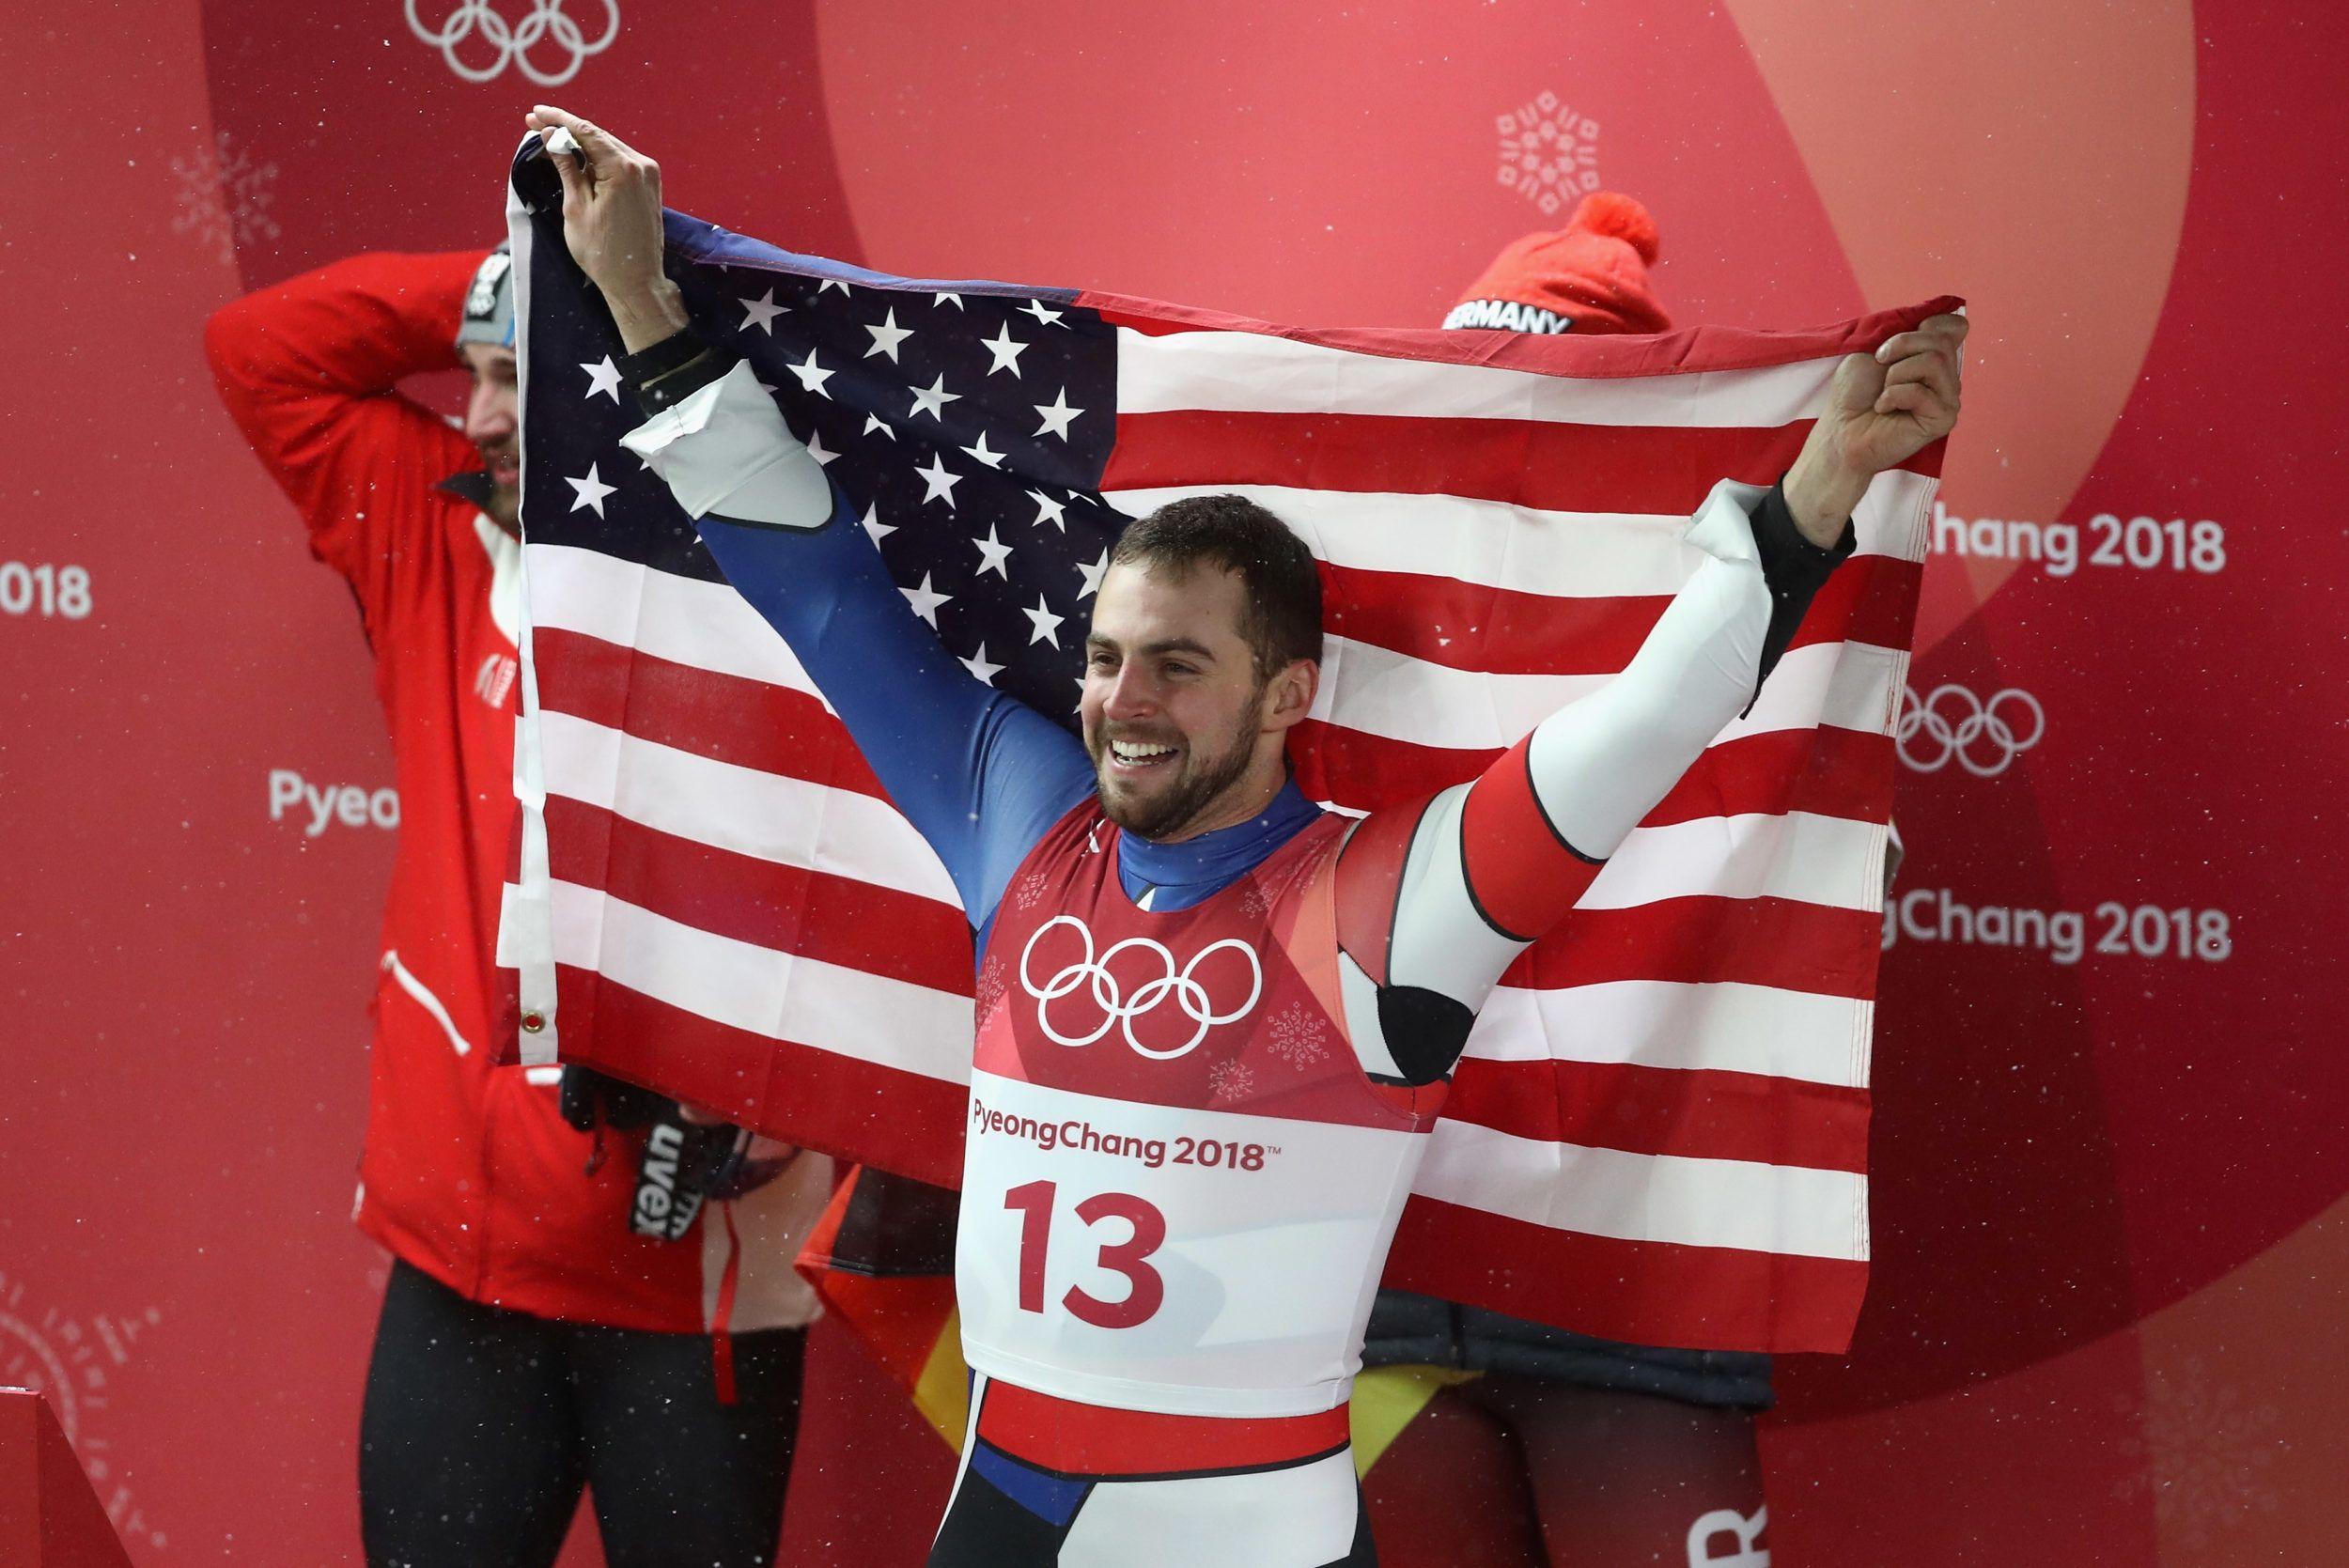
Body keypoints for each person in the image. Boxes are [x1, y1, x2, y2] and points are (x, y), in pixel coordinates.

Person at [524, 103, 1962, 1565]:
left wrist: (1817, 497)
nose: (1121, 704)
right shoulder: (1018, 815)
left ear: (1288, 691)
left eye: (1177, 665)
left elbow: (1645, 725)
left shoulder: (1384, 904)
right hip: (1003, 1520)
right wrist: (641, 300)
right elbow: (823, 589)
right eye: (1103, 658)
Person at [203, 244, 832, 1567]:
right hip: (460, 1265)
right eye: (472, 377)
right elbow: (260, 351)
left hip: (687, 1284)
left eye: (514, 383)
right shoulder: (439, 540)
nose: (475, 416)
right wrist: (515, 278)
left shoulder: (777, 595)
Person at [1361, 194, 1779, 1568]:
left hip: (1636, 1291)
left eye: (1570, 412)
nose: (1519, 445)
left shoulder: (1775, 635)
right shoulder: (1353, 602)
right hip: (1391, 1283)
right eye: (1486, 402)